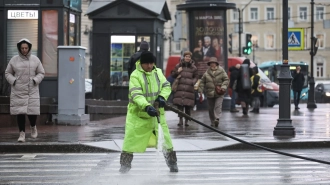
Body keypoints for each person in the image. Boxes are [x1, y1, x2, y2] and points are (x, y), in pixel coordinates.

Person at [119, 51, 178, 173]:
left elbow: (166, 86)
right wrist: (146, 106)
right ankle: (125, 166)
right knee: (130, 142)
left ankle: (172, 164)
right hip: (138, 116)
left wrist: (162, 97)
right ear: (141, 63)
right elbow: (136, 94)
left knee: (166, 140)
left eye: (151, 63)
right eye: (147, 63)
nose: (150, 66)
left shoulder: (158, 72)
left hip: (156, 115)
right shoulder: (135, 75)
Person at [5, 38, 45, 142]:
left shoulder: (35, 60)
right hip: (18, 89)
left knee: (32, 112)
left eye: (26, 48)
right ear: (19, 48)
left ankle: (33, 126)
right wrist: (14, 81)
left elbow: (41, 72)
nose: (24, 50)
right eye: (22, 48)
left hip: (32, 89)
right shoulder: (14, 60)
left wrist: (35, 80)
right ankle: (21, 134)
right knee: (20, 112)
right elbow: (7, 73)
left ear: (29, 48)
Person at [198, 57, 229, 127]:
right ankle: (212, 121)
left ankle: (217, 119)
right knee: (210, 108)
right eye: (211, 63)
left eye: (213, 63)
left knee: (218, 106)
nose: (212, 64)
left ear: (216, 64)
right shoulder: (206, 73)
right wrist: (200, 91)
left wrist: (223, 87)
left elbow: (226, 80)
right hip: (209, 93)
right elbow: (202, 82)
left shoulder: (221, 71)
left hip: (219, 92)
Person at [172, 51, 198, 127]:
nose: (187, 58)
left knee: (188, 105)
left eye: (189, 57)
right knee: (180, 105)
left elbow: (196, 76)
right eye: (186, 56)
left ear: (190, 58)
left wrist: (193, 82)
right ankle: (180, 120)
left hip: (189, 89)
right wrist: (178, 71)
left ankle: (186, 120)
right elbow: (173, 75)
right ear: (184, 57)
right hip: (180, 87)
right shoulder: (178, 65)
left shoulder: (194, 67)